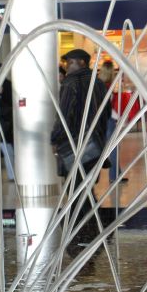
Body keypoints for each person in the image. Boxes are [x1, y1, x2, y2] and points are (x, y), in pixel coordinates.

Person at [50, 49, 110, 242]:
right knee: (87, 186)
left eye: (70, 63)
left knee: (75, 189)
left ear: (82, 63)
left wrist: (55, 139)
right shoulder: (99, 83)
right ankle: (93, 230)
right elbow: (107, 113)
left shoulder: (71, 83)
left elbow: (64, 115)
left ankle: (84, 232)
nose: (67, 67)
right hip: (95, 145)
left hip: (75, 146)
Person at [98, 60, 128, 185]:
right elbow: (108, 106)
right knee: (113, 148)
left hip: (101, 120)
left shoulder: (98, 85)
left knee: (112, 147)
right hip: (108, 120)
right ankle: (114, 176)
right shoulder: (106, 87)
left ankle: (117, 174)